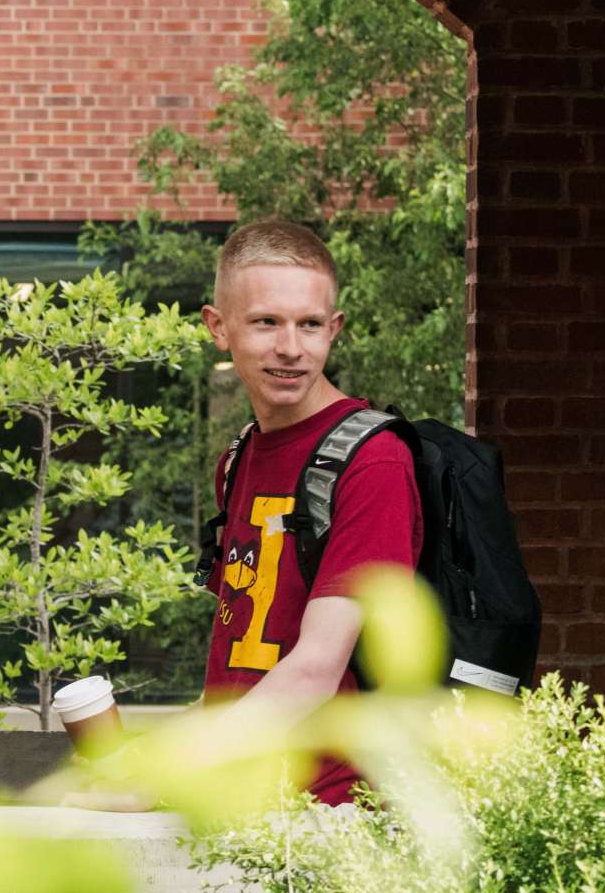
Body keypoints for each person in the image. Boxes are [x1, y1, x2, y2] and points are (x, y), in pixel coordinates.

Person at [198, 219, 422, 806]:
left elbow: (317, 670)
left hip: (331, 817)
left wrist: (170, 772)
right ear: (218, 327)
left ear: (335, 328)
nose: (291, 348)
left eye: (310, 325)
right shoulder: (238, 457)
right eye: (266, 321)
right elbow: (236, 657)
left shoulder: (374, 463)